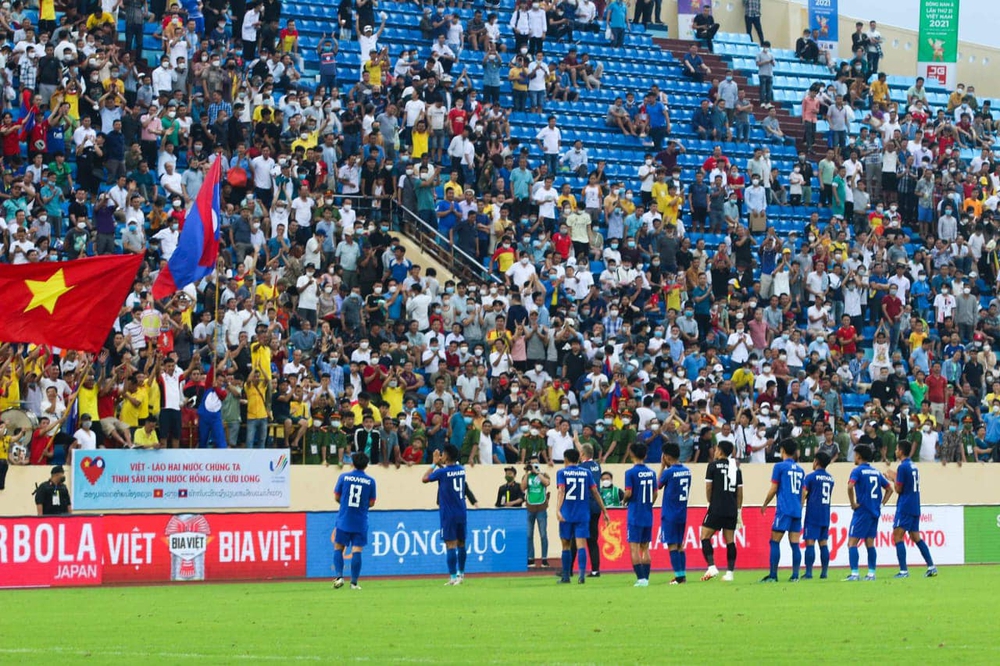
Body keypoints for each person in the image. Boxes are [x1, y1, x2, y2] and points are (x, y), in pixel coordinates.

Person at [423, 444, 479, 585]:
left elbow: (425, 478)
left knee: (450, 544)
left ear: (446, 456)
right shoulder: (461, 470)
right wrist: (441, 464)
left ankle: (453, 577)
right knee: (461, 543)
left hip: (448, 513)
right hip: (461, 511)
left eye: (443, 454)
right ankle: (461, 574)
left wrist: (434, 463)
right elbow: (448, 473)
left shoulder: (442, 472)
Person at [884, 441, 938, 578]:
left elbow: (899, 489)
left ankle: (903, 571)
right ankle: (931, 566)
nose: (895, 451)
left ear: (901, 451)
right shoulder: (913, 466)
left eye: (896, 449)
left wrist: (892, 478)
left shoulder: (903, 467)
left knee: (897, 535)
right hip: (915, 504)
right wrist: (897, 477)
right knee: (915, 536)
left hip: (905, 505)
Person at [555, 448, 609, 584]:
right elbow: (596, 492)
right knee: (581, 545)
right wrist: (605, 511)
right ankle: (581, 575)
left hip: (567, 513)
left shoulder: (562, 473)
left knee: (566, 545)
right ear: (578, 459)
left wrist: (557, 510)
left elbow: (561, 491)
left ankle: (566, 576)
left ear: (566, 459)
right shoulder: (586, 473)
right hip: (583, 513)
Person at [759, 439, 805, 582]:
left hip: (784, 509)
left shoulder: (779, 467)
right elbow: (803, 492)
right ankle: (795, 576)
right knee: (795, 543)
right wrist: (800, 506)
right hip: (797, 510)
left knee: (774, 541)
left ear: (783, 450)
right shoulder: (800, 470)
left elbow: (774, 488)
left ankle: (773, 575)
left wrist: (765, 503)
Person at [845, 444, 893, 581]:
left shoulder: (857, 471)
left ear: (859, 456)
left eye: (855, 454)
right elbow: (890, 489)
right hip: (874, 511)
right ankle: (871, 573)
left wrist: (853, 503)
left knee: (852, 543)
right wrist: (881, 504)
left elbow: (850, 486)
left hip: (862, 511)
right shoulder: (876, 472)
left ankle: (854, 573)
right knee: (869, 543)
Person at [332, 452, 377, 590]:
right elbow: (372, 502)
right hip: (360, 520)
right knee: (357, 550)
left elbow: (337, 497)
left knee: (339, 547)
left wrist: (345, 503)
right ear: (366, 465)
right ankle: (354, 583)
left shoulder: (344, 477)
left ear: (352, 463)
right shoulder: (370, 481)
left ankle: (339, 576)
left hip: (344, 519)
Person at [700, 440, 742, 582]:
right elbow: (740, 492)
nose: (715, 451)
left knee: (705, 536)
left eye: (717, 449)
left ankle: (712, 567)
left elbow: (708, 488)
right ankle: (730, 573)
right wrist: (739, 510)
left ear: (720, 451)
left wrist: (709, 503)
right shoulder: (735, 468)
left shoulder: (712, 466)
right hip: (731, 509)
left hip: (716, 507)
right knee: (730, 540)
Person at [623, 443, 657, 586]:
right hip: (647, 514)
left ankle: (641, 579)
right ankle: (646, 578)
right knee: (645, 547)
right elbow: (655, 494)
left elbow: (629, 492)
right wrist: (648, 505)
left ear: (631, 454)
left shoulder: (630, 473)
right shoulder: (652, 473)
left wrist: (624, 500)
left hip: (635, 514)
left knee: (634, 548)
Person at [658, 442, 691, 584]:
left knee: (672, 545)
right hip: (682, 513)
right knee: (680, 545)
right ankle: (682, 575)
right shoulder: (686, 470)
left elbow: (657, 486)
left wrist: (661, 467)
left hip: (670, 514)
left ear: (666, 456)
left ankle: (678, 577)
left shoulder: (668, 472)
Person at [801, 451, 835, 579]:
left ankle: (809, 573)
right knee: (823, 543)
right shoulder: (830, 478)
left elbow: (804, 493)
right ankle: (824, 573)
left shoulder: (810, 477)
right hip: (825, 514)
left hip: (813, 514)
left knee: (810, 543)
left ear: (816, 462)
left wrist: (800, 506)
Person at [522, 457, 551, 568]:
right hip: (530, 508)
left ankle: (544, 559)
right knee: (529, 535)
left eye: (535, 463)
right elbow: (523, 487)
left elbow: (546, 483)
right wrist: (526, 472)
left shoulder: (544, 474)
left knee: (543, 534)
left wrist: (537, 472)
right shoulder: (527, 476)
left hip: (541, 508)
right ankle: (531, 558)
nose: (533, 465)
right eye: (532, 463)